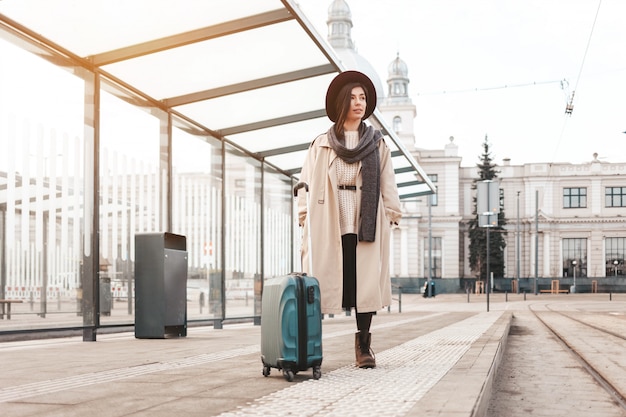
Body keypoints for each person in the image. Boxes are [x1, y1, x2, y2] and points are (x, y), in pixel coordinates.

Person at [298, 71, 402, 368]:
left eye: (363, 98)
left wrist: (392, 213)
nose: (359, 103)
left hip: (364, 220)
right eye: (354, 97)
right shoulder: (321, 143)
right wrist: (304, 216)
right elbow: (305, 181)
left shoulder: (377, 143)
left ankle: (364, 346)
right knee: (323, 281)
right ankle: (311, 347)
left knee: (364, 286)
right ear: (343, 102)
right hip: (330, 220)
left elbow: (387, 182)